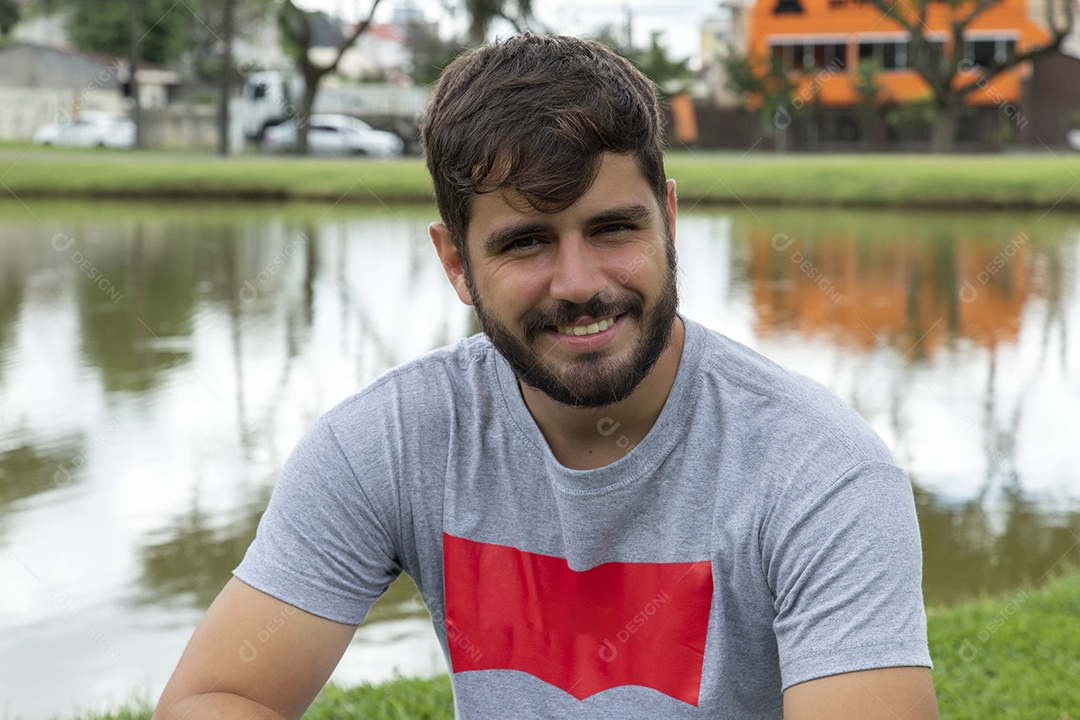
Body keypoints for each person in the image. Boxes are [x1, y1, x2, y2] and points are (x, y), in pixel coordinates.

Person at [154, 33, 937, 719]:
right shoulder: (391, 440)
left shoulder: (822, 471)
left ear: (669, 219)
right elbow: (217, 696)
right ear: (457, 263)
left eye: (613, 228)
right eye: (526, 242)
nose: (578, 283)